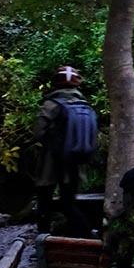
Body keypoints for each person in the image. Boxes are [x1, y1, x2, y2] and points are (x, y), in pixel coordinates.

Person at [31, 65, 93, 235]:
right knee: (68, 202)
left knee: (44, 202)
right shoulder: (84, 104)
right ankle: (84, 237)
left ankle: (43, 241)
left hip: (51, 163)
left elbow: (36, 132)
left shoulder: (51, 104)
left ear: (55, 84)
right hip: (77, 163)